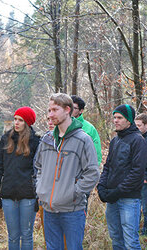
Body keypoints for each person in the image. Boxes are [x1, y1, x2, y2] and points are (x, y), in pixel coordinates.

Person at [35, 93, 99, 250]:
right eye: (49, 110)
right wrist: (41, 189)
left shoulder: (83, 139)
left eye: (55, 110)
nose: (50, 115)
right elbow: (38, 167)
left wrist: (73, 193)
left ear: (67, 110)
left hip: (72, 211)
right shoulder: (47, 139)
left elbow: (92, 173)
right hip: (49, 210)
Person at [97, 104, 147, 250]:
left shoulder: (138, 141)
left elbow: (137, 173)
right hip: (112, 199)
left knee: (130, 241)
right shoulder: (115, 140)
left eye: (120, 117)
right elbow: (107, 166)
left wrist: (118, 191)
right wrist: (101, 186)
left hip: (129, 199)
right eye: (114, 117)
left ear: (129, 121)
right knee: (116, 239)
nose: (115, 120)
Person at [0, 106, 40, 250]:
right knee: (12, 235)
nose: (16, 123)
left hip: (28, 195)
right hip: (8, 194)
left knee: (26, 235)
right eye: (15, 119)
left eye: (20, 120)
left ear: (28, 122)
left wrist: (38, 194)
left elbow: (39, 170)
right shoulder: (5, 139)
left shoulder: (36, 141)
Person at [71, 95, 102, 166]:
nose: (70, 110)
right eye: (69, 107)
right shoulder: (61, 126)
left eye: (74, 108)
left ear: (81, 111)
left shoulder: (89, 128)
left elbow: (96, 153)